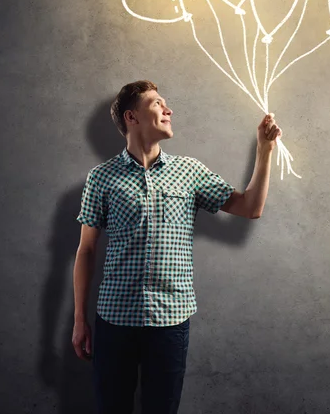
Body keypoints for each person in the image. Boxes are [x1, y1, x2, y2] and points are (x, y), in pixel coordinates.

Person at [72, 80, 281, 414]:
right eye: (156, 103)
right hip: (114, 321)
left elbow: (250, 207)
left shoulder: (190, 171)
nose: (168, 110)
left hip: (171, 321)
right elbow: (85, 251)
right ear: (132, 117)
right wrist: (80, 319)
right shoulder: (102, 177)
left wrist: (264, 149)